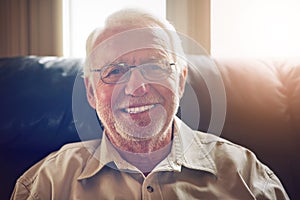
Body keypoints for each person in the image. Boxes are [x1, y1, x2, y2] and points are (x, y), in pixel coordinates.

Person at [11, 9, 289, 200]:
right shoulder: (45, 185)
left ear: (180, 82)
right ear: (91, 93)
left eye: (154, 66)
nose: (137, 87)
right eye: (114, 71)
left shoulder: (248, 177)